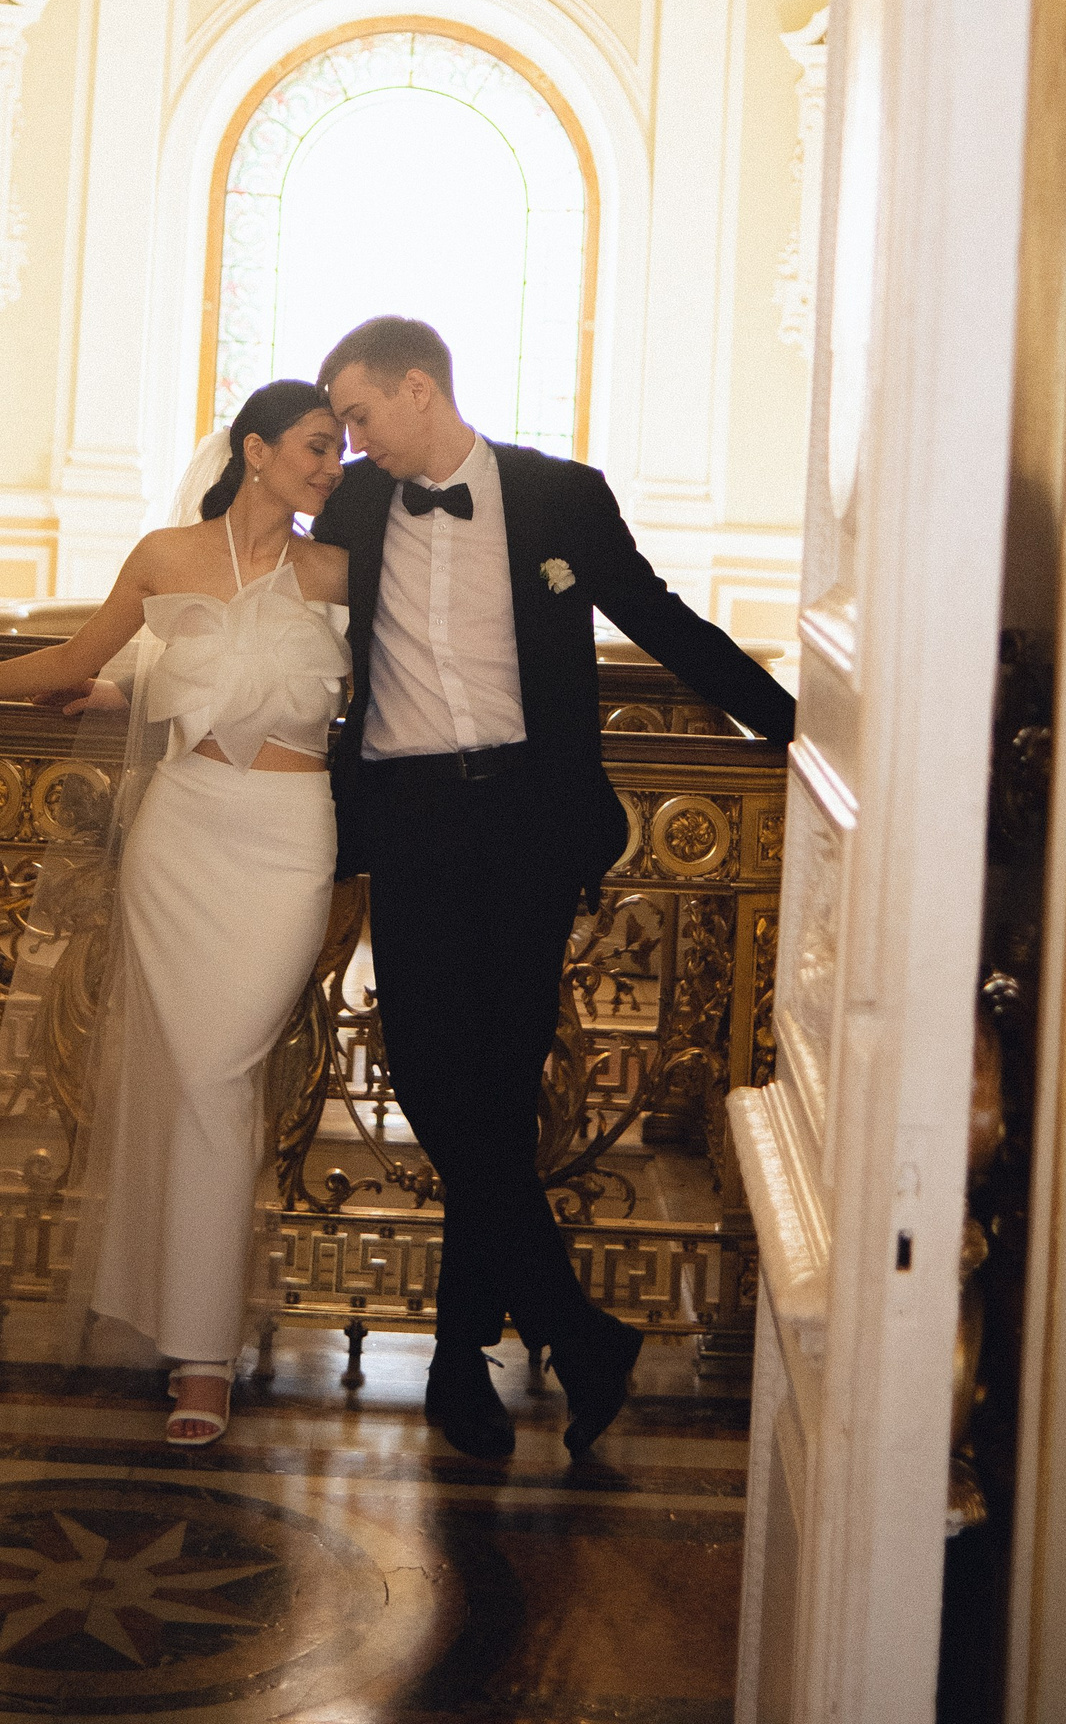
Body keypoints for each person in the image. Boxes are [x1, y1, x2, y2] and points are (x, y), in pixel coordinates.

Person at [313, 314, 797, 1463]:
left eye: (360, 416)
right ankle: (575, 1330)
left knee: (494, 1093)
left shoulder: (559, 497)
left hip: (529, 826)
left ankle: (462, 1362)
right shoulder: (353, 508)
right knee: (435, 1082)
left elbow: (660, 619)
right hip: (409, 824)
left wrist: (798, 726)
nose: (352, 442)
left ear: (419, 388)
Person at [0, 378, 349, 1446]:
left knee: (217, 1073)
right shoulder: (165, 555)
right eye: (314, 446)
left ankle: (197, 1336)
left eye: (337, 450)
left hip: (292, 840)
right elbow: (78, 662)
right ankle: (199, 1356)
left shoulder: (341, 569)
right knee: (185, 1081)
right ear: (255, 451)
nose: (330, 466)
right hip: (182, 834)